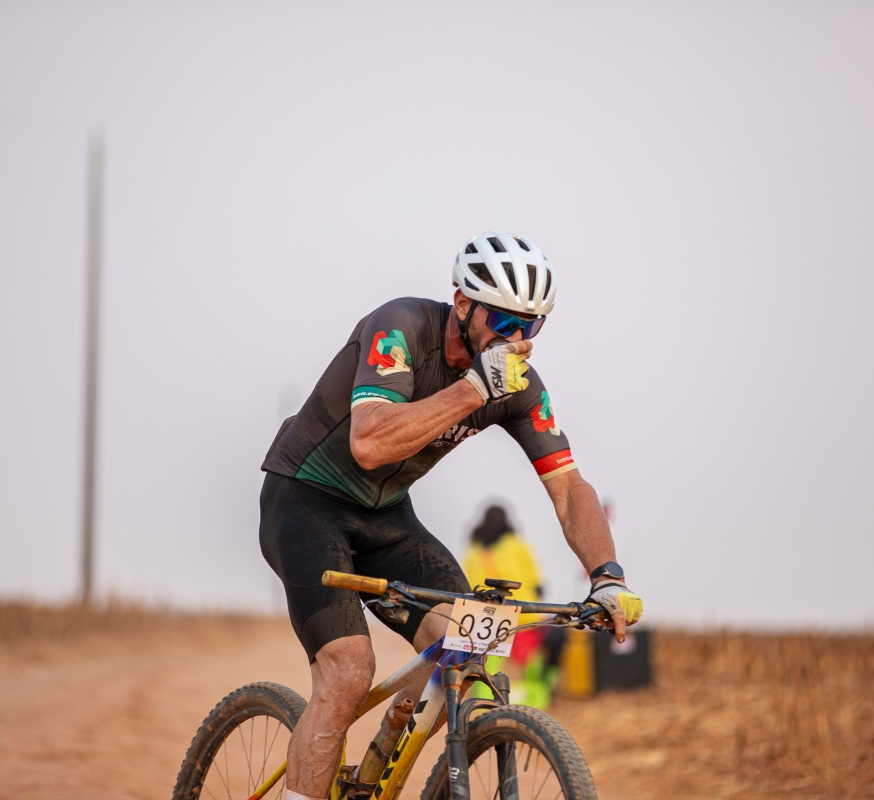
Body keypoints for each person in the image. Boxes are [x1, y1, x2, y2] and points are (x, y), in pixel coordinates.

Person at [258, 231, 643, 800]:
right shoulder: (400, 327)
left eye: (532, 327)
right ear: (462, 303)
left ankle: (376, 768)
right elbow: (369, 444)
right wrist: (472, 390)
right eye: (504, 322)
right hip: (306, 502)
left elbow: (567, 487)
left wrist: (607, 575)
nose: (518, 341)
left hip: (386, 516)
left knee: (471, 649)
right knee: (348, 671)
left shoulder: (516, 385)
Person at [461, 504, 560, 709]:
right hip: (521, 615)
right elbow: (536, 582)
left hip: (484, 618)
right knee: (530, 662)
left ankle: (483, 699)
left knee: (486, 663)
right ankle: (540, 694)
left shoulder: (473, 551)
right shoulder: (517, 545)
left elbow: (468, 586)